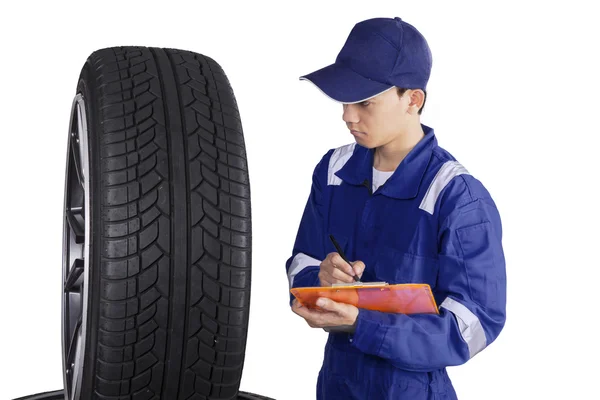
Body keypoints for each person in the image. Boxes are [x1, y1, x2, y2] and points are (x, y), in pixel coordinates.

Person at [285, 16, 507, 399]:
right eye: (345, 100)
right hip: (336, 385)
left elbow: (473, 327)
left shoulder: (456, 197)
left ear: (413, 99)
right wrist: (319, 280)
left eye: (365, 102)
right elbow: (301, 260)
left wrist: (364, 324)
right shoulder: (334, 171)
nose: (348, 115)